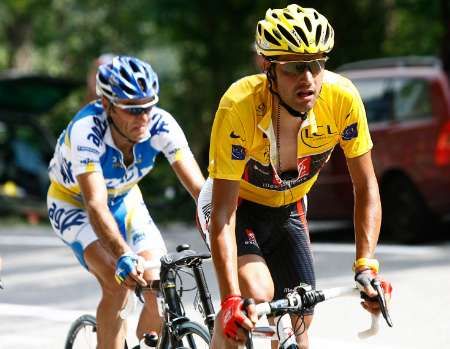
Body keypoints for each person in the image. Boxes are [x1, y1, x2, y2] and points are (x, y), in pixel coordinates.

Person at [197, 4, 392, 349]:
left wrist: (366, 266)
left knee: (300, 320)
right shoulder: (239, 105)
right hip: (235, 206)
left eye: (317, 64)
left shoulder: (342, 99)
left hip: (288, 209)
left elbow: (366, 186)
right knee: (252, 300)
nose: (309, 78)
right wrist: (229, 300)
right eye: (294, 68)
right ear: (267, 67)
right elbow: (224, 213)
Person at [47, 55, 205, 349]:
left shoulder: (161, 124)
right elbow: (95, 203)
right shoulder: (86, 130)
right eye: (132, 110)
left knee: (159, 282)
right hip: (75, 205)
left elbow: (200, 189)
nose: (143, 117)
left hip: (124, 197)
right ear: (107, 106)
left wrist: (227, 230)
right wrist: (122, 255)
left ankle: (146, 341)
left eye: (148, 106)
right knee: (116, 281)